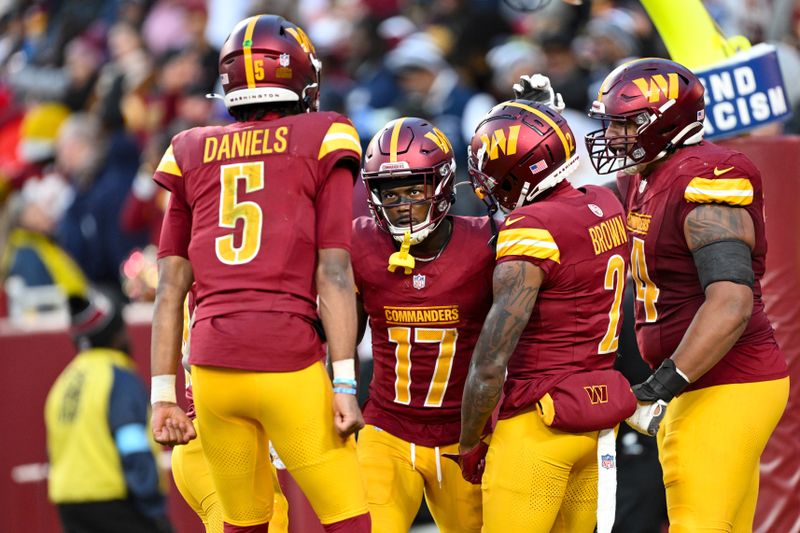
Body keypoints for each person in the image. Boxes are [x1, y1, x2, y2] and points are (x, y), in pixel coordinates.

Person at [148, 14, 370, 533]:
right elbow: (333, 273)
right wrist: (344, 382)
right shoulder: (324, 133)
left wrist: (162, 395)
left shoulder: (189, 148)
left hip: (211, 369)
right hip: (284, 359)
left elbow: (169, 290)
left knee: (244, 525)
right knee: (348, 520)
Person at [584, 57, 789, 531]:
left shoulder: (706, 178)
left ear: (667, 122)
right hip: (699, 379)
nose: (614, 137)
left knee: (696, 523)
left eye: (626, 124)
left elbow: (731, 302)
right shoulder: (643, 175)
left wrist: (663, 386)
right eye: (611, 124)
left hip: (726, 380)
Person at [455, 98, 637, 532]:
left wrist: (469, 440)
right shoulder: (604, 202)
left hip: (537, 423)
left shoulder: (531, 228)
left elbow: (491, 360)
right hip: (595, 418)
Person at [353, 116, 495, 532]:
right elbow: (337, 333)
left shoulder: (488, 240)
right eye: (390, 193)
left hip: (467, 434)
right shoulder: (361, 242)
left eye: (415, 189)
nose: (402, 203)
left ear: (443, 184)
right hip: (387, 429)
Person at [45, 292, 171, 533]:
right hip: (116, 503)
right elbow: (131, 442)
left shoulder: (62, 384)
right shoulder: (118, 377)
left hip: (69, 506)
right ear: (117, 335)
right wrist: (152, 506)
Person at [170, 292, 289, 533]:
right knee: (269, 517)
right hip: (218, 442)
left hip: (205, 441)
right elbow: (196, 355)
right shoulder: (218, 277)